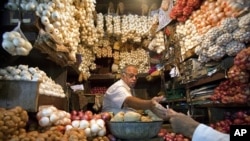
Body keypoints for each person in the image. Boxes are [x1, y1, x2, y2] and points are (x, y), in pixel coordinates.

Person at [102, 64, 167, 118]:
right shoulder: (118, 87)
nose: (134, 79)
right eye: (131, 76)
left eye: (136, 76)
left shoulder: (126, 87)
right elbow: (129, 101)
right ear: (123, 76)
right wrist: (150, 103)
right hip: (113, 123)